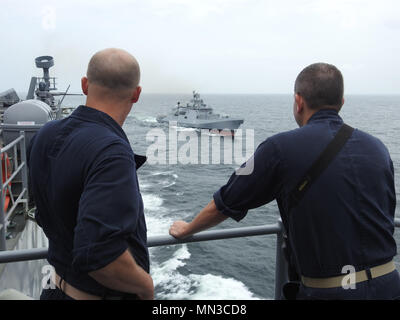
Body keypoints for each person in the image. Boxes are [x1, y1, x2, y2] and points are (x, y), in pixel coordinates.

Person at [169, 63, 400, 300]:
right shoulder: (378, 148)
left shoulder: (278, 148)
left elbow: (226, 201)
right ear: (342, 102)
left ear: (298, 101)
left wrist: (187, 229)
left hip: (330, 293)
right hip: (390, 284)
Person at [28, 48, 154, 300]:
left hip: (53, 290)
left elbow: (43, 210)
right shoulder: (113, 152)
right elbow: (99, 256)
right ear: (137, 94)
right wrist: (146, 287)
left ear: (85, 85)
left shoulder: (45, 134)